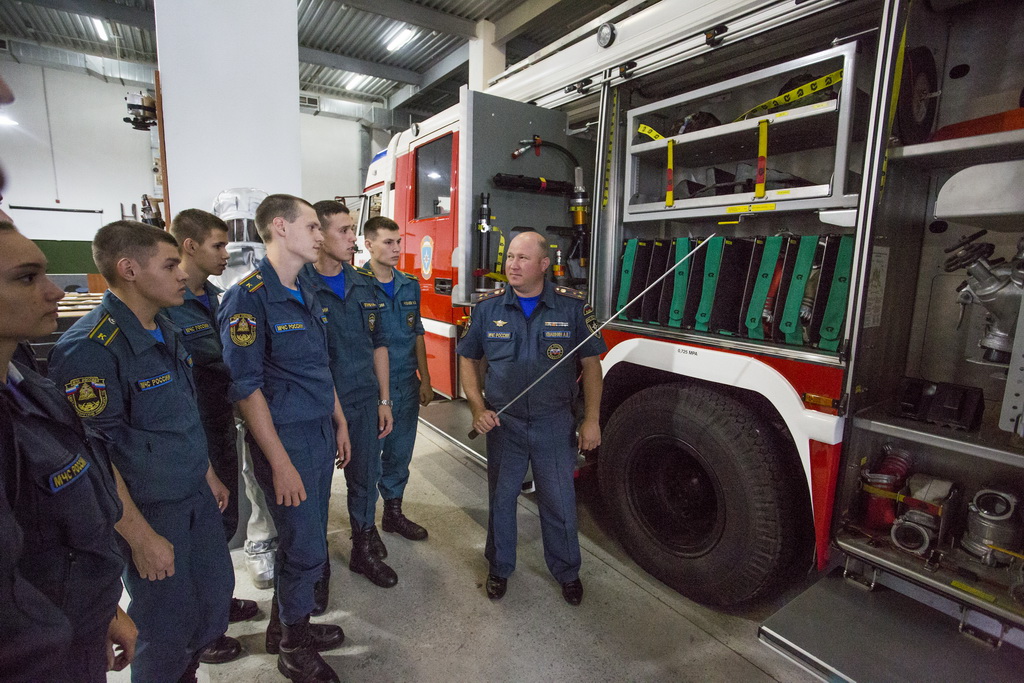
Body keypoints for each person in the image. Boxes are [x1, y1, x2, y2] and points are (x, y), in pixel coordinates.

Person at [48, 220, 235, 682]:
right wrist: (140, 537)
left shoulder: (165, 326)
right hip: (150, 512)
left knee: (211, 606)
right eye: (170, 264)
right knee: (164, 629)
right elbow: (93, 458)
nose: (180, 274)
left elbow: (180, 412)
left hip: (194, 495)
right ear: (129, 269)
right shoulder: (90, 350)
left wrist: (207, 473)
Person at [218, 194, 349, 683]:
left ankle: (285, 626)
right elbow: (245, 388)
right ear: (280, 228)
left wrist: (338, 419)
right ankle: (294, 648)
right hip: (286, 441)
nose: (321, 236)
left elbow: (318, 365)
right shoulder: (248, 297)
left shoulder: (302, 290)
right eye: (313, 227)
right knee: (305, 546)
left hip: (315, 430)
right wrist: (280, 462)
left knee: (309, 535)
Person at [0, 221, 138, 681]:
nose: (54, 292)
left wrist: (104, 610)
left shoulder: (25, 382)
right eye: (26, 277)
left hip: (77, 619)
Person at [457, 231, 605, 605]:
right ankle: (500, 567)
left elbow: (591, 366)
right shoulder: (488, 309)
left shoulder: (572, 309)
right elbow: (468, 359)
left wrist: (591, 420)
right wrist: (477, 407)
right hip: (504, 424)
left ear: (544, 265)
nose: (512, 264)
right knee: (502, 500)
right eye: (510, 257)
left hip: (554, 422)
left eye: (523, 258)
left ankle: (567, 571)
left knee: (558, 501)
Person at [165, 209, 259, 664]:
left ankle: (216, 606)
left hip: (220, 426)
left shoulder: (218, 298)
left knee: (222, 525)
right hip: (189, 436)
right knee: (197, 534)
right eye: (218, 246)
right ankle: (200, 632)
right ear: (189, 245)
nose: (227, 254)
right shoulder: (167, 305)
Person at [304, 201, 397, 591]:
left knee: (365, 478)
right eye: (343, 230)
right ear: (319, 235)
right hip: (316, 408)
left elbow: (379, 344)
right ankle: (316, 567)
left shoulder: (364, 285)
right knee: (314, 492)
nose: (352, 238)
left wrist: (385, 399)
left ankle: (363, 549)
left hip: (362, 401)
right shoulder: (300, 287)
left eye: (351, 230)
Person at [363, 217, 433, 546]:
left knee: (399, 453)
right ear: (368, 245)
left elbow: (417, 332)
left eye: (398, 242)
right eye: (388, 242)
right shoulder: (356, 284)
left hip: (406, 381)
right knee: (367, 459)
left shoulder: (409, 284)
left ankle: (392, 513)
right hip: (370, 388)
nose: (395, 249)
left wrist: (426, 378)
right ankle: (364, 526)